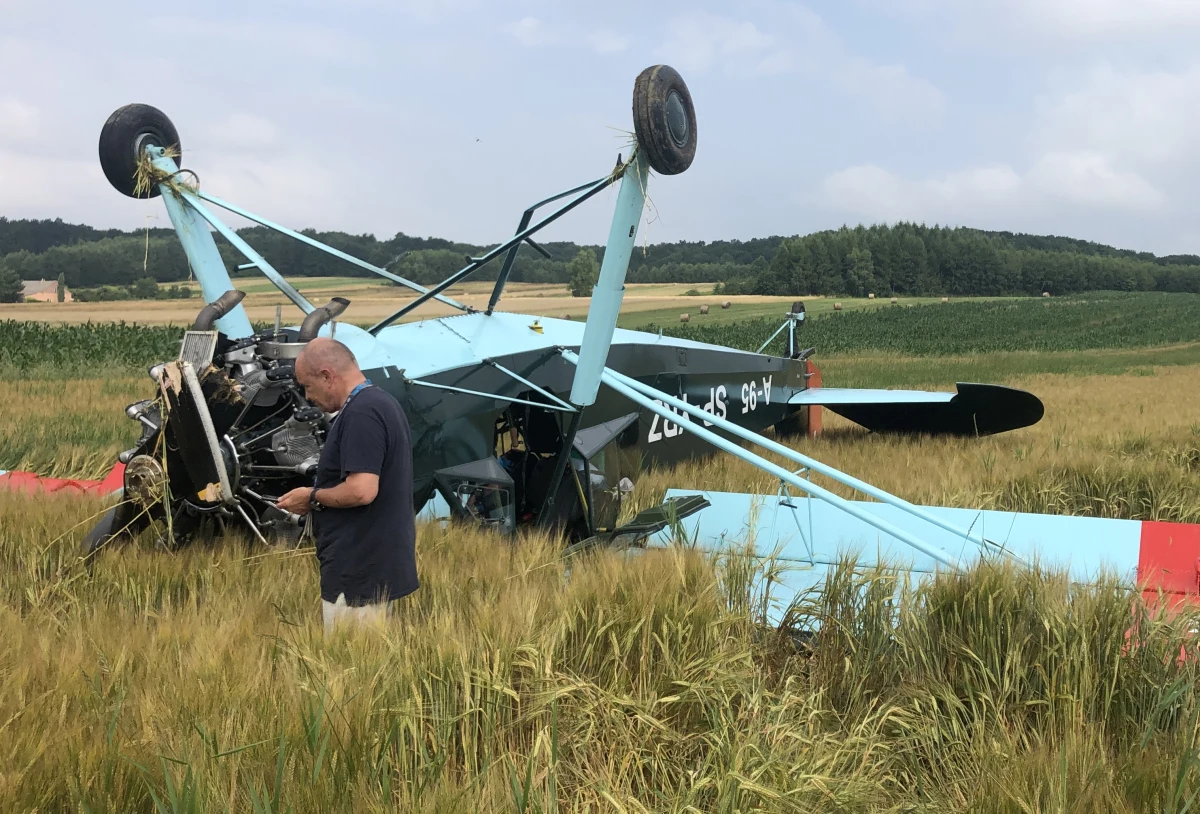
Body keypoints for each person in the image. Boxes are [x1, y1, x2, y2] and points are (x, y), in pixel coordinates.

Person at [275, 337, 418, 635]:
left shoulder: (362, 413)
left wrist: (311, 497)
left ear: (327, 375)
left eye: (307, 386)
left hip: (359, 570)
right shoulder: (381, 402)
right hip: (371, 565)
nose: (307, 396)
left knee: (350, 667)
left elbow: (362, 490)